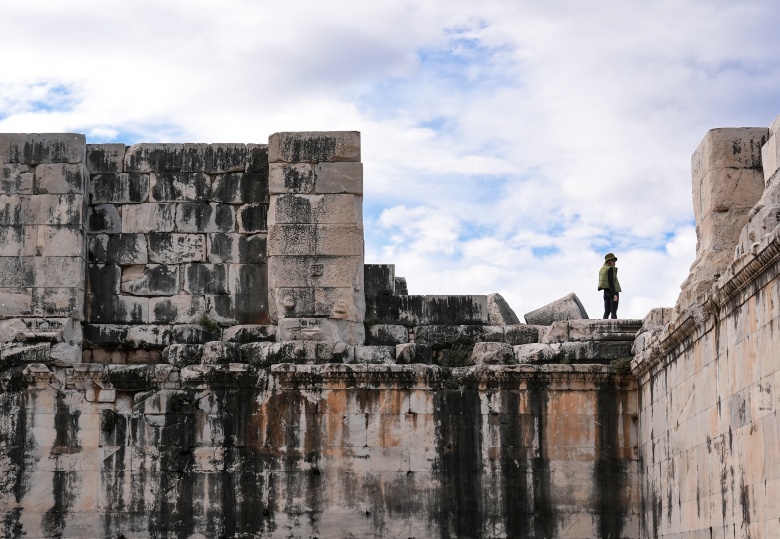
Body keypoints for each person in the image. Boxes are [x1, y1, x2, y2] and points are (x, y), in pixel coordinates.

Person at [598, 253, 621, 319]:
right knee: (613, 312)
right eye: (613, 261)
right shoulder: (610, 269)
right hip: (612, 291)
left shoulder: (602, 269)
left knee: (606, 311)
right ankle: (614, 328)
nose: (614, 263)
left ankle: (603, 327)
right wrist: (614, 294)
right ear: (609, 261)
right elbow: (611, 282)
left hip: (606, 292)